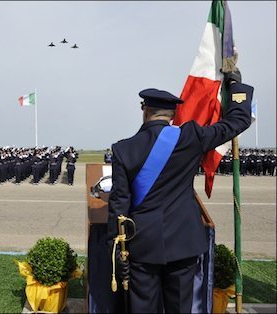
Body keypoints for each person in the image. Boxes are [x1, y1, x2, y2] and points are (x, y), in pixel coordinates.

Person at [107, 70, 253, 313]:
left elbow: (119, 205)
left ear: (145, 111)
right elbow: (236, 123)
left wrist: (117, 256)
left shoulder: (123, 149)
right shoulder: (191, 137)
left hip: (143, 245)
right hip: (183, 242)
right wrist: (235, 86)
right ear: (173, 115)